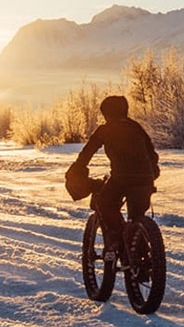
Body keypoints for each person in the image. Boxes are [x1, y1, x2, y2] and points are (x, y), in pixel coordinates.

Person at [66, 95, 159, 258]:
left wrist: (77, 170)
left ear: (106, 113)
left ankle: (115, 237)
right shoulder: (136, 127)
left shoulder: (105, 129)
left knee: (104, 202)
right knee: (137, 217)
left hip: (121, 178)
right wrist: (151, 174)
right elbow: (152, 154)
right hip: (145, 179)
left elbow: (86, 153)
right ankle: (142, 257)